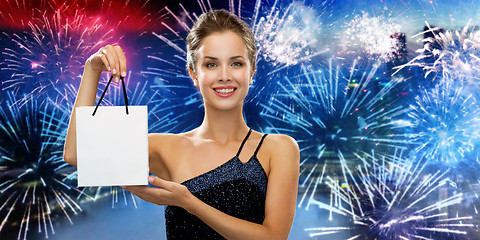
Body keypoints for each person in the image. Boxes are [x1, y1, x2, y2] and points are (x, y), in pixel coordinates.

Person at [63, 9, 299, 239]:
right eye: (211, 64)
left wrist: (188, 202)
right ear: (194, 74)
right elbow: (76, 153)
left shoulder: (278, 148)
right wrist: (92, 70)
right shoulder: (168, 147)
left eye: (236, 63)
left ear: (252, 72)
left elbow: (274, 236)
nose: (225, 75)